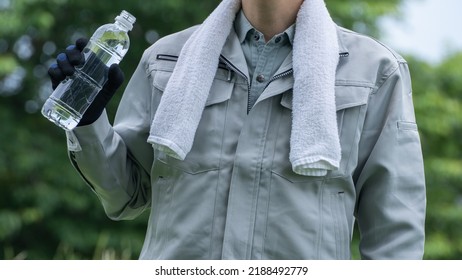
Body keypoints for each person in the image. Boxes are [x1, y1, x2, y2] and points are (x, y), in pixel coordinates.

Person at [48, 0, 426, 259]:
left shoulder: (375, 70)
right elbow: (127, 194)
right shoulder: (166, 59)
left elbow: (395, 233)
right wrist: (89, 119)